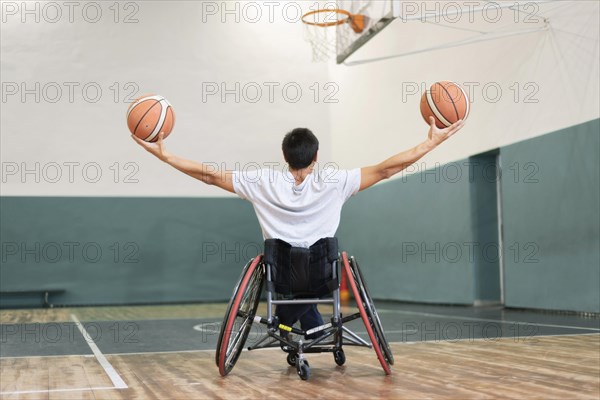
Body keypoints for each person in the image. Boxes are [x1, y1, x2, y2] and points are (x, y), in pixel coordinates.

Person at [132, 116, 465, 339]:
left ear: (284, 155)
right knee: (316, 280)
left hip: (282, 275)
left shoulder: (262, 182)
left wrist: (165, 155)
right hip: (323, 275)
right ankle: (309, 333)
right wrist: (431, 143)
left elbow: (209, 175)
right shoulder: (335, 181)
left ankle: (290, 327)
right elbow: (386, 169)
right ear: (316, 155)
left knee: (293, 291)